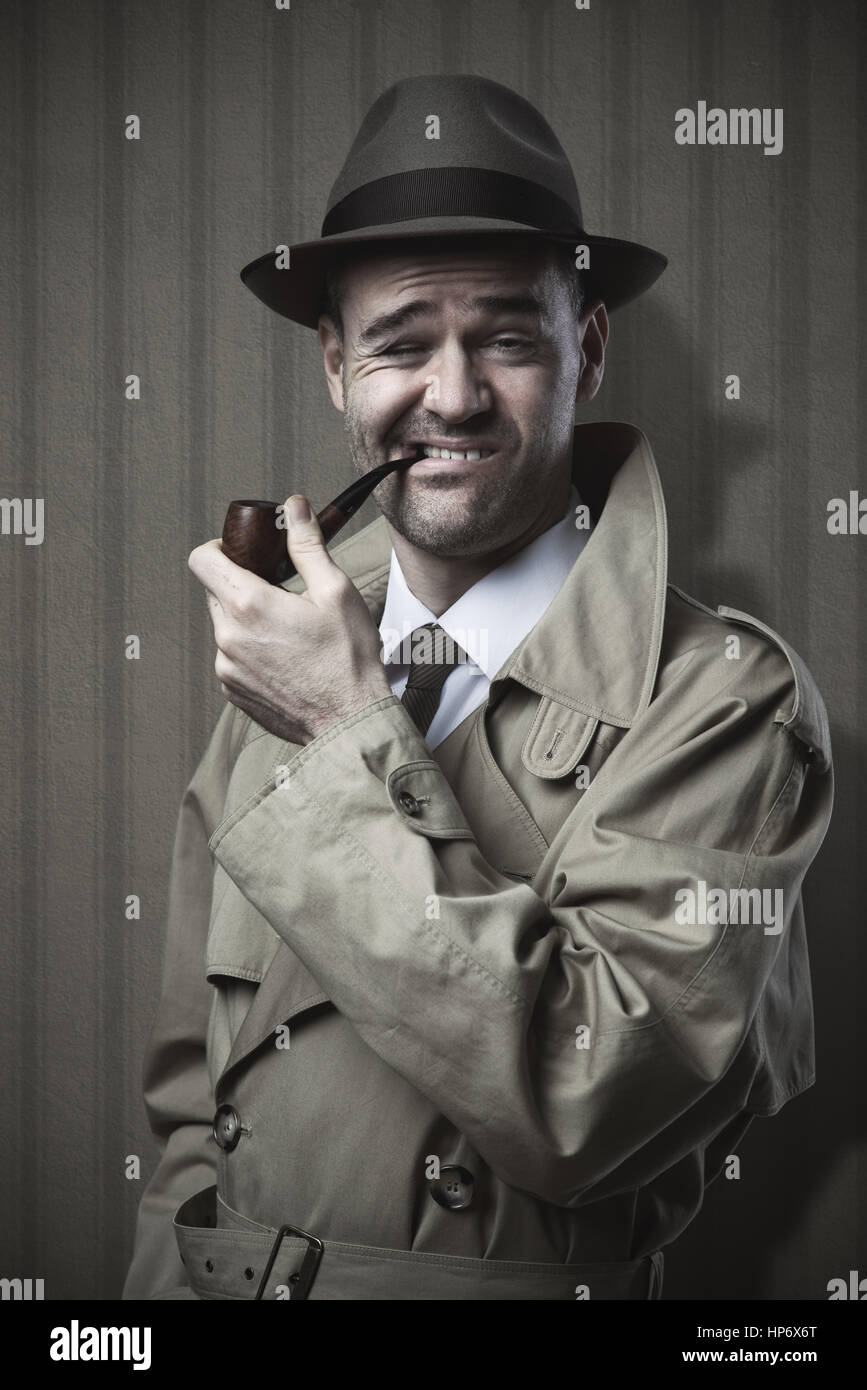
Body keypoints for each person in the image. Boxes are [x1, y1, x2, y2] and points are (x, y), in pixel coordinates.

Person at [123, 74, 833, 1301]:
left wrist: (349, 727)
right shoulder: (291, 644)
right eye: (401, 344)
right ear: (338, 370)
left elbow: (592, 1098)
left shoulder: (728, 702)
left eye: (507, 337)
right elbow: (196, 1092)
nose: (451, 396)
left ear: (587, 350)